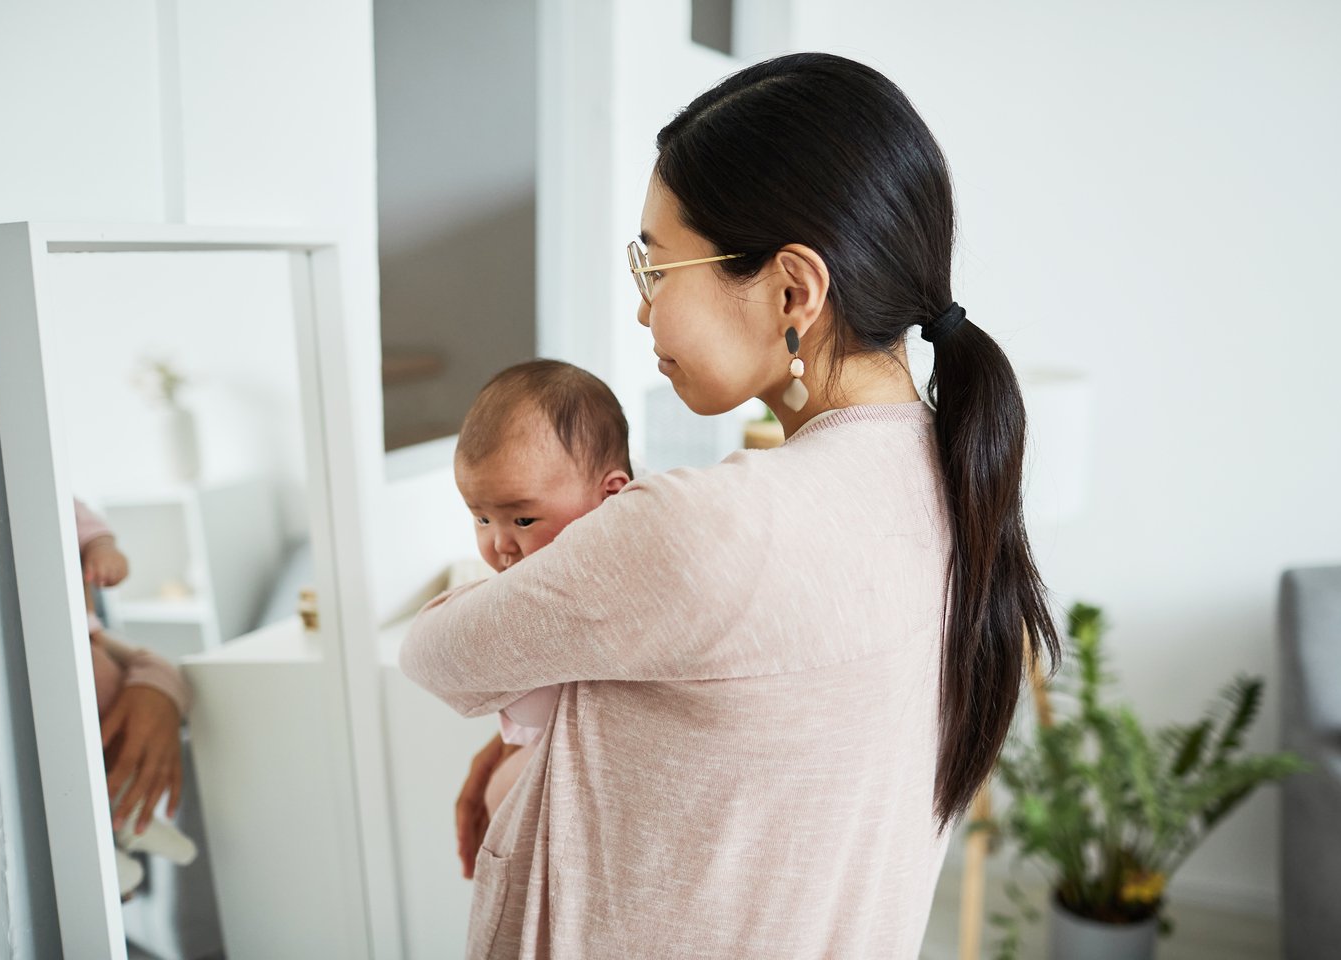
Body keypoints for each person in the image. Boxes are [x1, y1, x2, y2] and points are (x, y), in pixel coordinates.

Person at [401, 52, 1059, 959]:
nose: (643, 313)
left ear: (793, 290)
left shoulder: (703, 527)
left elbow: (436, 655)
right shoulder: (949, 486)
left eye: (658, 268)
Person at [448, 360, 633, 836]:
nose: (500, 544)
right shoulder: (526, 590)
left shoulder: (616, 592)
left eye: (523, 520)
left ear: (610, 497)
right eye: (482, 519)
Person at [76, 499, 197, 897]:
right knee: (80, 776)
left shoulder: (49, 496)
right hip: (75, 691)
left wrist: (104, 553)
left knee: (118, 760)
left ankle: (134, 825)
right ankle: (107, 855)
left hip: (90, 649)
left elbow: (94, 531)